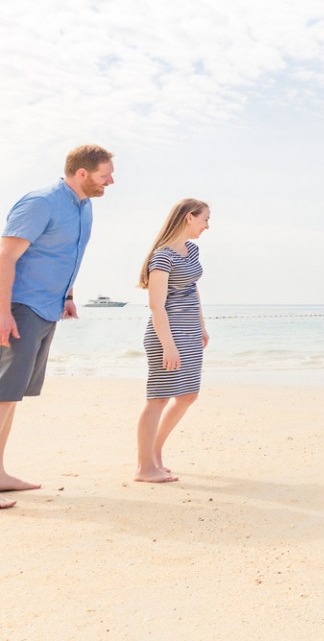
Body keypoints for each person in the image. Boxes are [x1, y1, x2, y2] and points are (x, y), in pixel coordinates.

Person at [0, 144, 115, 511]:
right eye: (106, 175)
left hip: (45, 310)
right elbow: (4, 257)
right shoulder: (41, 202)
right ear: (83, 174)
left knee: (11, 397)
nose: (111, 181)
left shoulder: (83, 207)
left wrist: (68, 295)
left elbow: (65, 256)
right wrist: (1, 312)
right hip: (16, 308)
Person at [134, 198, 211, 483]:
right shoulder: (162, 257)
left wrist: (201, 326)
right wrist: (168, 345)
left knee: (188, 396)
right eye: (205, 219)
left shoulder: (191, 250)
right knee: (158, 398)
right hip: (168, 333)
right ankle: (144, 468)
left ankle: (154, 455)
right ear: (190, 217)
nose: (207, 226)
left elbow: (192, 290)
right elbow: (156, 305)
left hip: (190, 331)